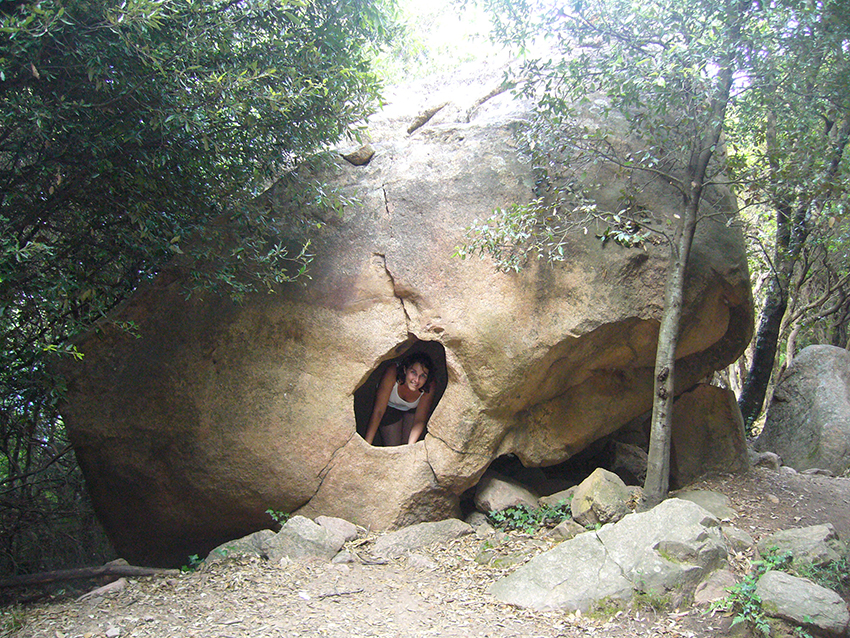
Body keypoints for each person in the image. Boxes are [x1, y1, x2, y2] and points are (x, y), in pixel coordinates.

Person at [364, 351, 435, 446]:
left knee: (406, 447)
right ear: (405, 370)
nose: (416, 380)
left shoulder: (429, 385)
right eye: (413, 372)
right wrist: (366, 445)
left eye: (423, 376)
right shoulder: (393, 372)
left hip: (412, 411)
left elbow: (419, 420)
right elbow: (379, 411)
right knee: (393, 447)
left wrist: (410, 448)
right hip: (389, 408)